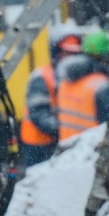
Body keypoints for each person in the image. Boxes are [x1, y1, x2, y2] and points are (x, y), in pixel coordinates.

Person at [19, 33, 82, 167]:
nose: (70, 58)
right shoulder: (42, 77)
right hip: (38, 143)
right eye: (66, 53)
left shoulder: (70, 78)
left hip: (58, 141)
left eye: (74, 54)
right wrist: (61, 129)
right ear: (57, 53)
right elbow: (38, 113)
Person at [55, 29, 109, 140]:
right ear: (104, 55)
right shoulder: (102, 85)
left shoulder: (65, 79)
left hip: (67, 149)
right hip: (91, 150)